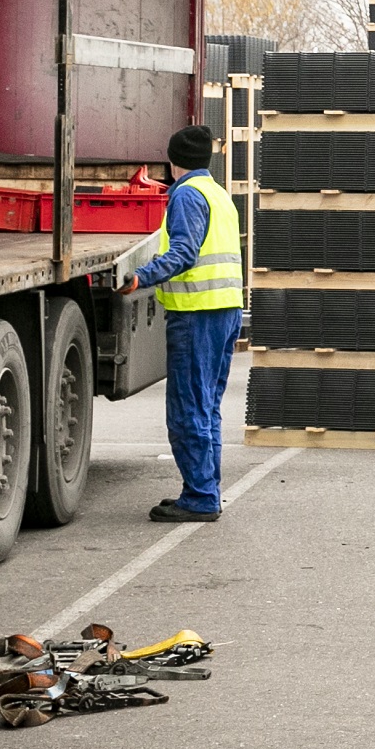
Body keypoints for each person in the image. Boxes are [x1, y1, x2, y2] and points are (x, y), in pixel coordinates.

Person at [115, 124, 242, 521]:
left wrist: (140, 277)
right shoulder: (217, 193)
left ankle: (201, 497)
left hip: (197, 314)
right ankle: (203, 489)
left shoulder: (186, 195)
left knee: (188, 407)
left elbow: (184, 253)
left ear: (173, 161)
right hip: (225, 311)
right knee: (206, 407)